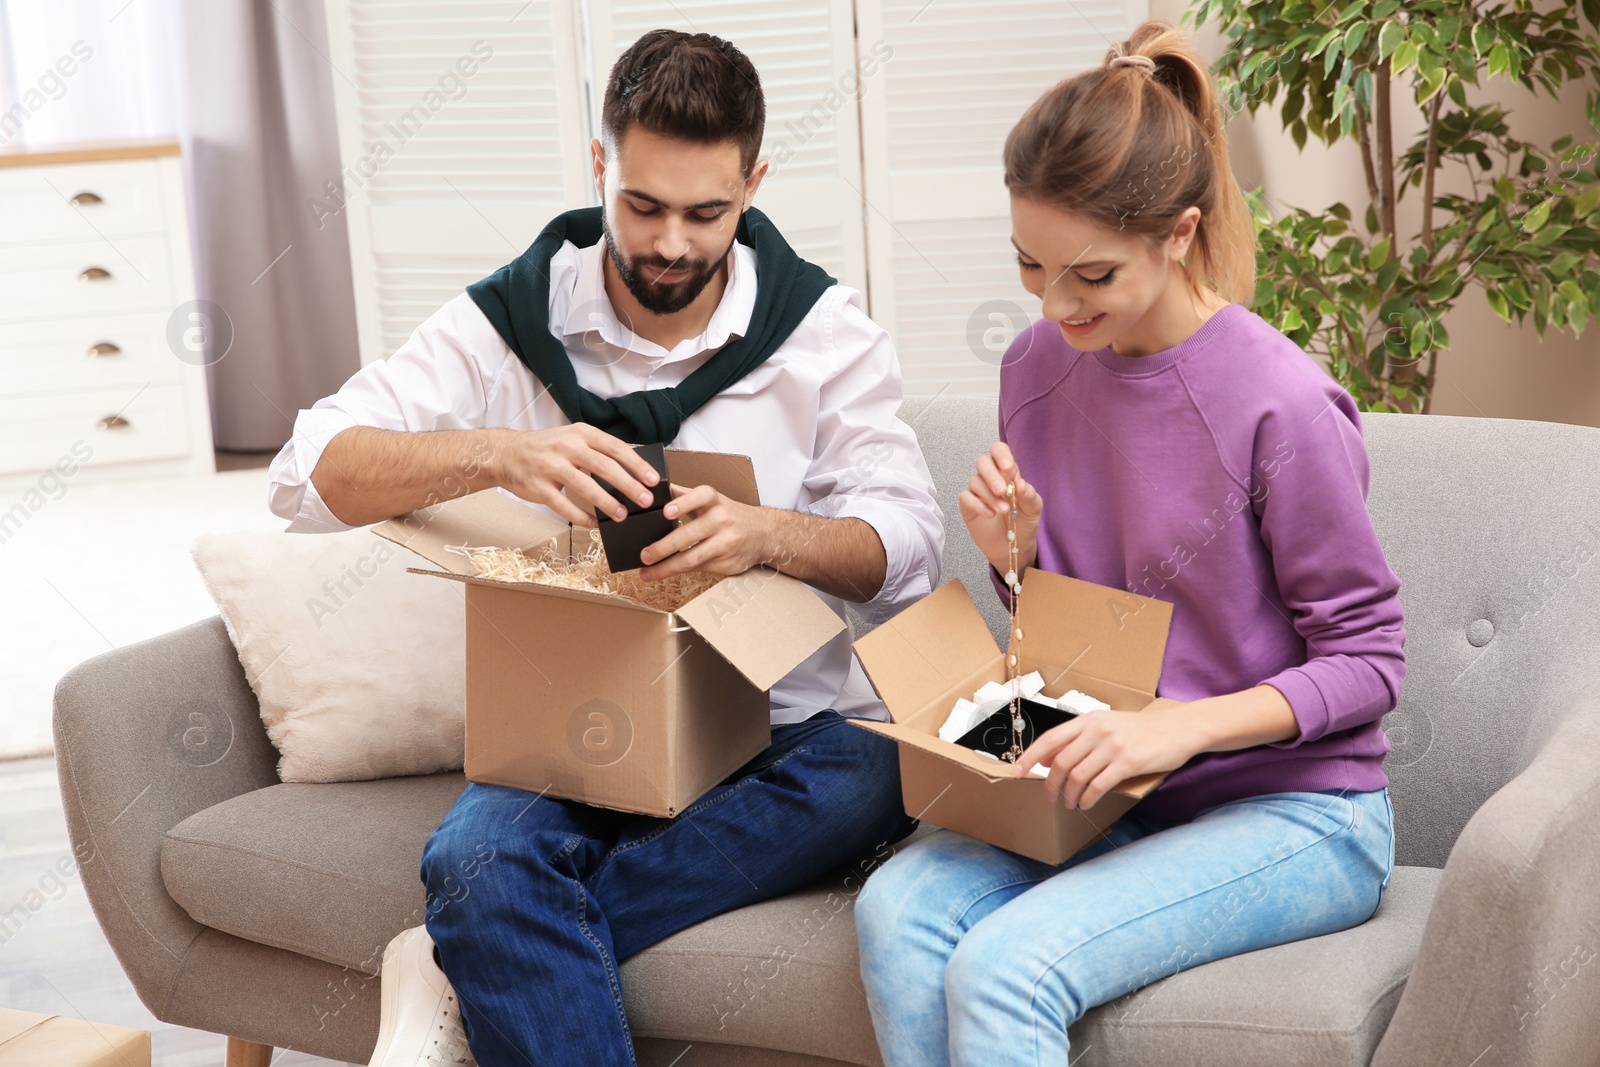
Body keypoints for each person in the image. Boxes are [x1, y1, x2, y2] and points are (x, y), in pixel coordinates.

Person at [266, 29, 942, 1067]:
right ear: (600, 167)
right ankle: (488, 927)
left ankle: (462, 958)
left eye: (707, 212)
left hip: (783, 733)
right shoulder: (510, 320)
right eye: (643, 204)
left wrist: (772, 534)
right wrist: (494, 453)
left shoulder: (825, 336)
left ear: (754, 183)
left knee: (881, 769)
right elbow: (305, 473)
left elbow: (907, 548)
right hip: (579, 728)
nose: (671, 241)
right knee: (474, 857)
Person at [852, 19, 1405, 1066]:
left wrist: (1176, 730)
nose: (1057, 304)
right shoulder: (1035, 368)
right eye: (1030, 264)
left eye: (1091, 275)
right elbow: (1082, 643)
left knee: (1006, 965)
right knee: (894, 909)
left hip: (1297, 812)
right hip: (1106, 794)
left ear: (1179, 232)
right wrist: (1012, 560)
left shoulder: (1279, 401)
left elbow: (1371, 661)